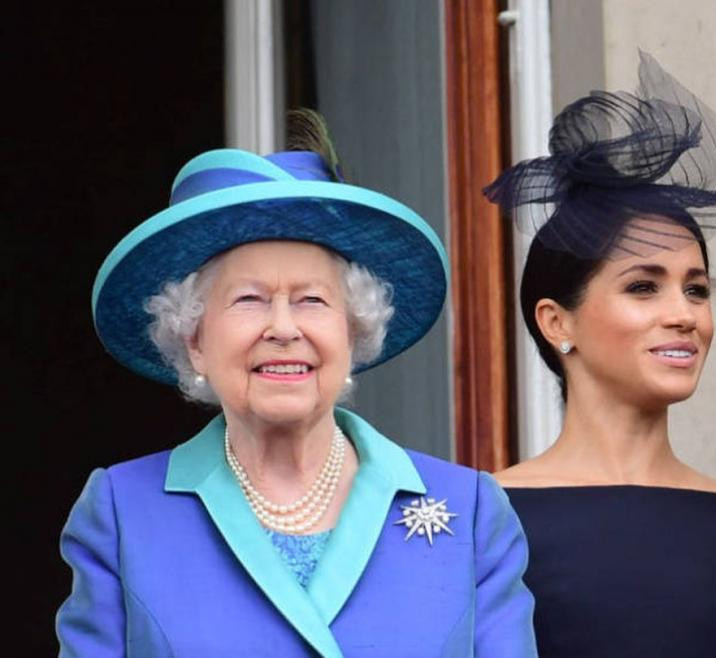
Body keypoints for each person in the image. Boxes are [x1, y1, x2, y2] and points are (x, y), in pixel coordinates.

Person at [57, 111, 537, 657]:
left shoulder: (470, 510)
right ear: (194, 340)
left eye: (312, 300)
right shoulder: (122, 513)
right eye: (249, 300)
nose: (284, 328)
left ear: (354, 332)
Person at [484, 52, 716, 658]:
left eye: (696, 289)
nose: (684, 314)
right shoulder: (478, 518)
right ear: (556, 321)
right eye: (643, 286)